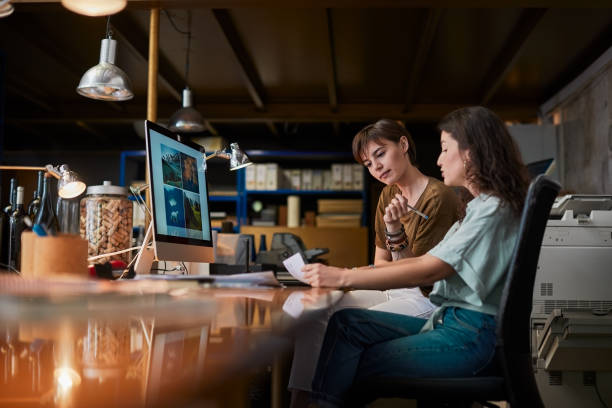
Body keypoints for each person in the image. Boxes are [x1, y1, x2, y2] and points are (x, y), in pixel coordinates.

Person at [302, 106, 530, 407]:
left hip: (471, 335)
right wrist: (392, 233)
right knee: (346, 324)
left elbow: (427, 271)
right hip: (452, 322)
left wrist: (344, 276)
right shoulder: (479, 208)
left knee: (351, 360)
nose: (438, 159)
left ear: (470, 153)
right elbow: (420, 262)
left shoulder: (491, 210)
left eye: (445, 149)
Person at [289, 119, 461, 407]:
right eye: (369, 163)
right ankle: (299, 401)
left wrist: (350, 272)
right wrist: (373, 258)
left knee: (340, 324)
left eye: (380, 154)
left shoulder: (438, 198)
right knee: (315, 312)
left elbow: (419, 278)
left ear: (403, 145)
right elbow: (381, 263)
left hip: (428, 300)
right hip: (395, 288)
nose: (376, 167)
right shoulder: (388, 194)